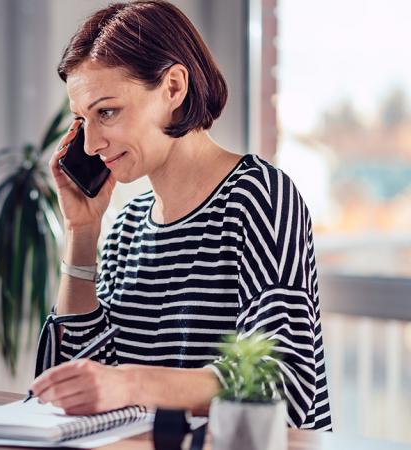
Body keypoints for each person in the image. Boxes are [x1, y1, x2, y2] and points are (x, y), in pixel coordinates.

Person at [30, 0, 331, 430]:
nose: (92, 143)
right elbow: (71, 390)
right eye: (82, 120)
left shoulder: (261, 197)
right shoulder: (127, 228)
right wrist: (82, 234)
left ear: (173, 87)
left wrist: (130, 384)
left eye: (107, 112)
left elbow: (283, 383)